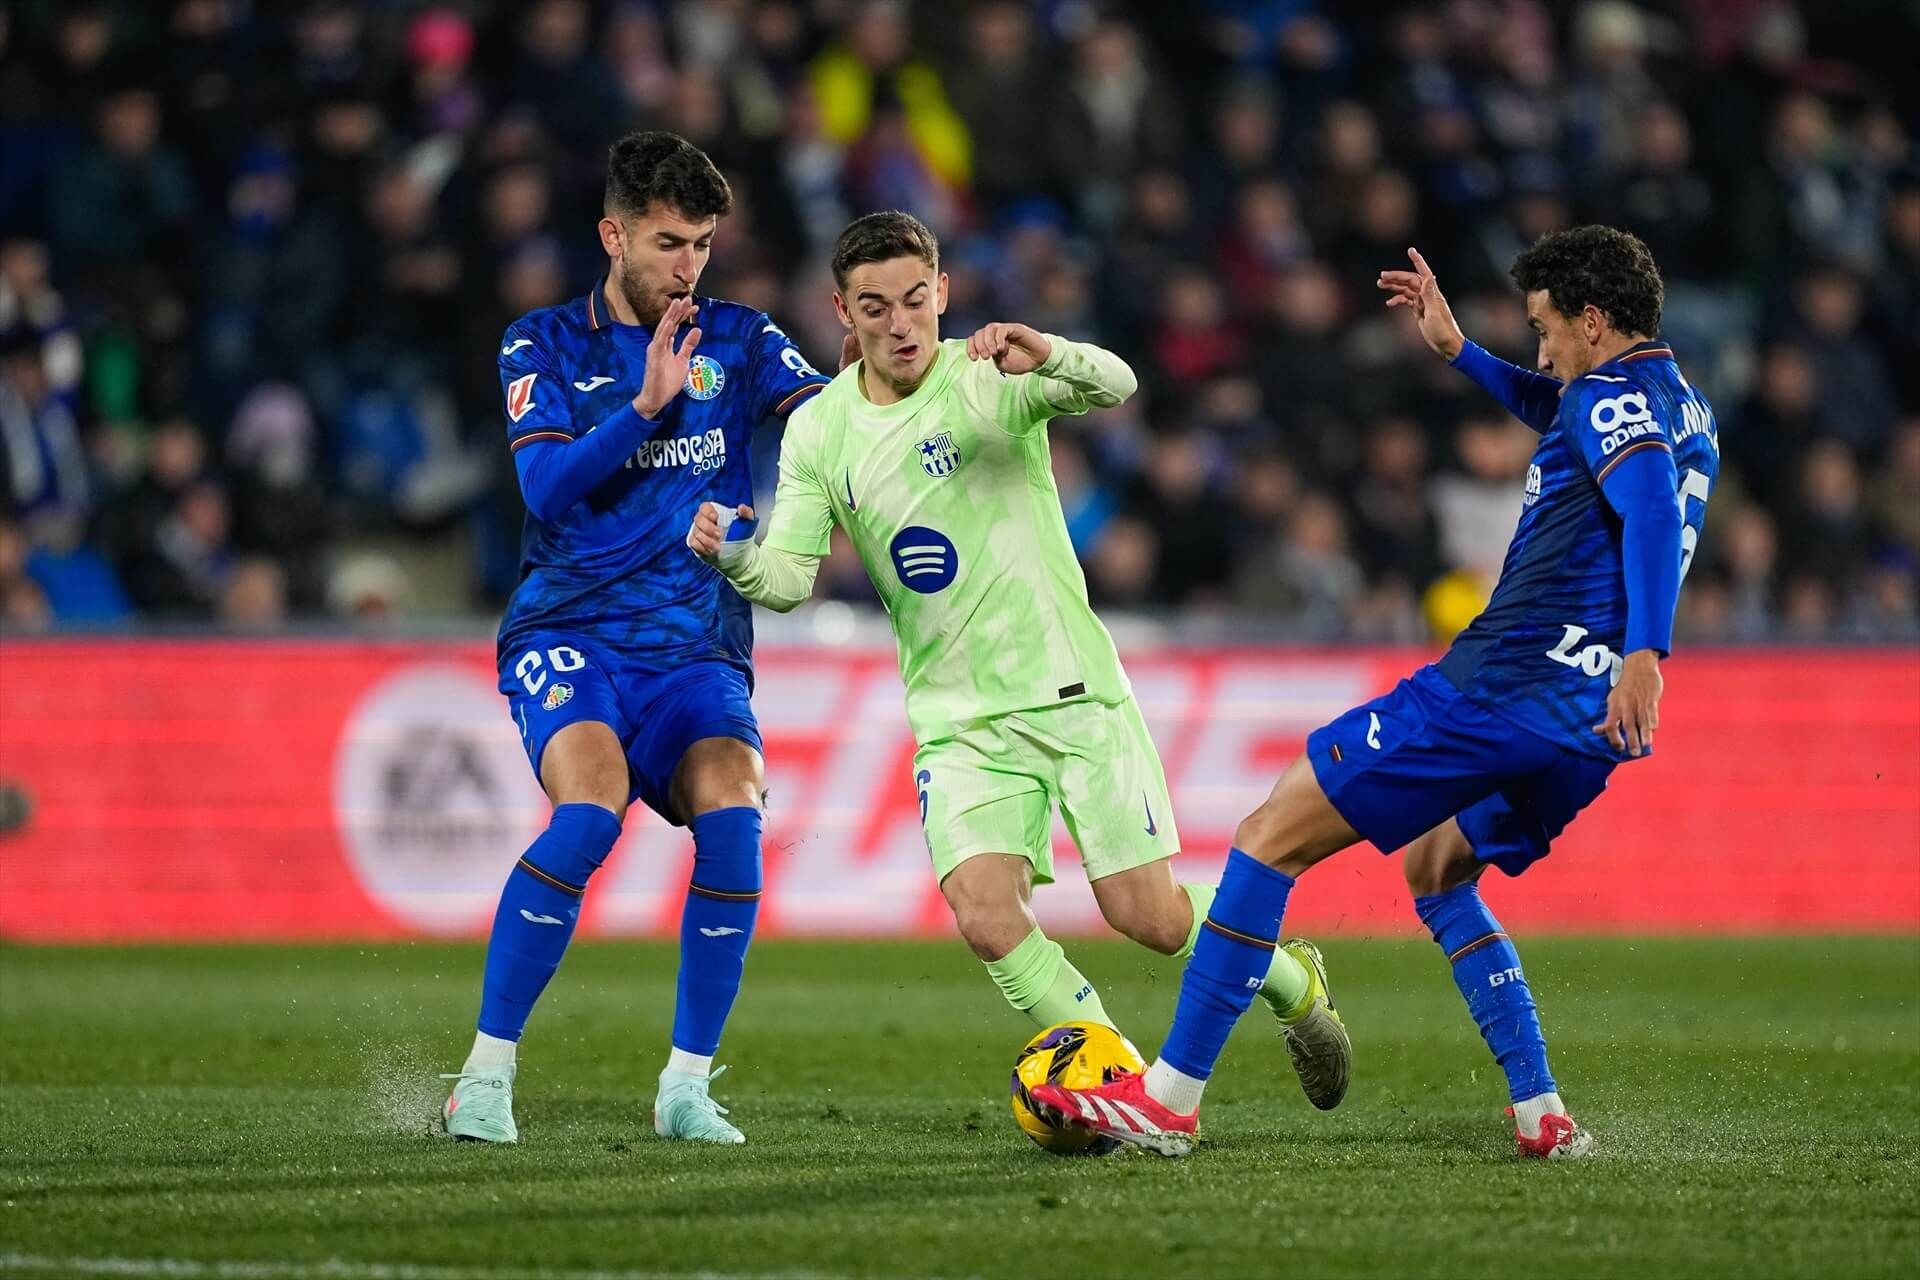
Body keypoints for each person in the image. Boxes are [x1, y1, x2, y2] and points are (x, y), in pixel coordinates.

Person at [1033, 226, 1718, 1159]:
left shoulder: (1606, 403)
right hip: (1584, 727)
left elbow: (1639, 503)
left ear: (1592, 320)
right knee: (1438, 873)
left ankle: (1169, 1099)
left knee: (1268, 838)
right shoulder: (1680, 408)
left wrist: (1651, 652)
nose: (1543, 348)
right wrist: (1463, 355)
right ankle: (1541, 1113)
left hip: (1501, 687)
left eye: (1545, 328)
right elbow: (1579, 420)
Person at [686, 211, 1351, 1112]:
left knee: (1148, 919)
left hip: (1072, 694)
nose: (900, 324)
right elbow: (791, 578)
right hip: (959, 722)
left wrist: (1054, 357)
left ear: (943, 293)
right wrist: (731, 555)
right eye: (874, 307)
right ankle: (1116, 1082)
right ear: (843, 311)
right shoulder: (819, 432)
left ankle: (1292, 983)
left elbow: (1118, 384)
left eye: (916, 300)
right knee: (986, 916)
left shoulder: (988, 376)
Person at [441, 131, 831, 1146]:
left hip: (695, 648)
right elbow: (547, 485)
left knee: (737, 817)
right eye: (667, 242)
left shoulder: (742, 340)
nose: (688, 265)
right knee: (591, 808)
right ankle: (483, 1078)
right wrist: (647, 407)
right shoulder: (542, 345)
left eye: (702, 243)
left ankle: (687, 1087)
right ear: (614, 234)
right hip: (569, 632)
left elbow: (835, 428)